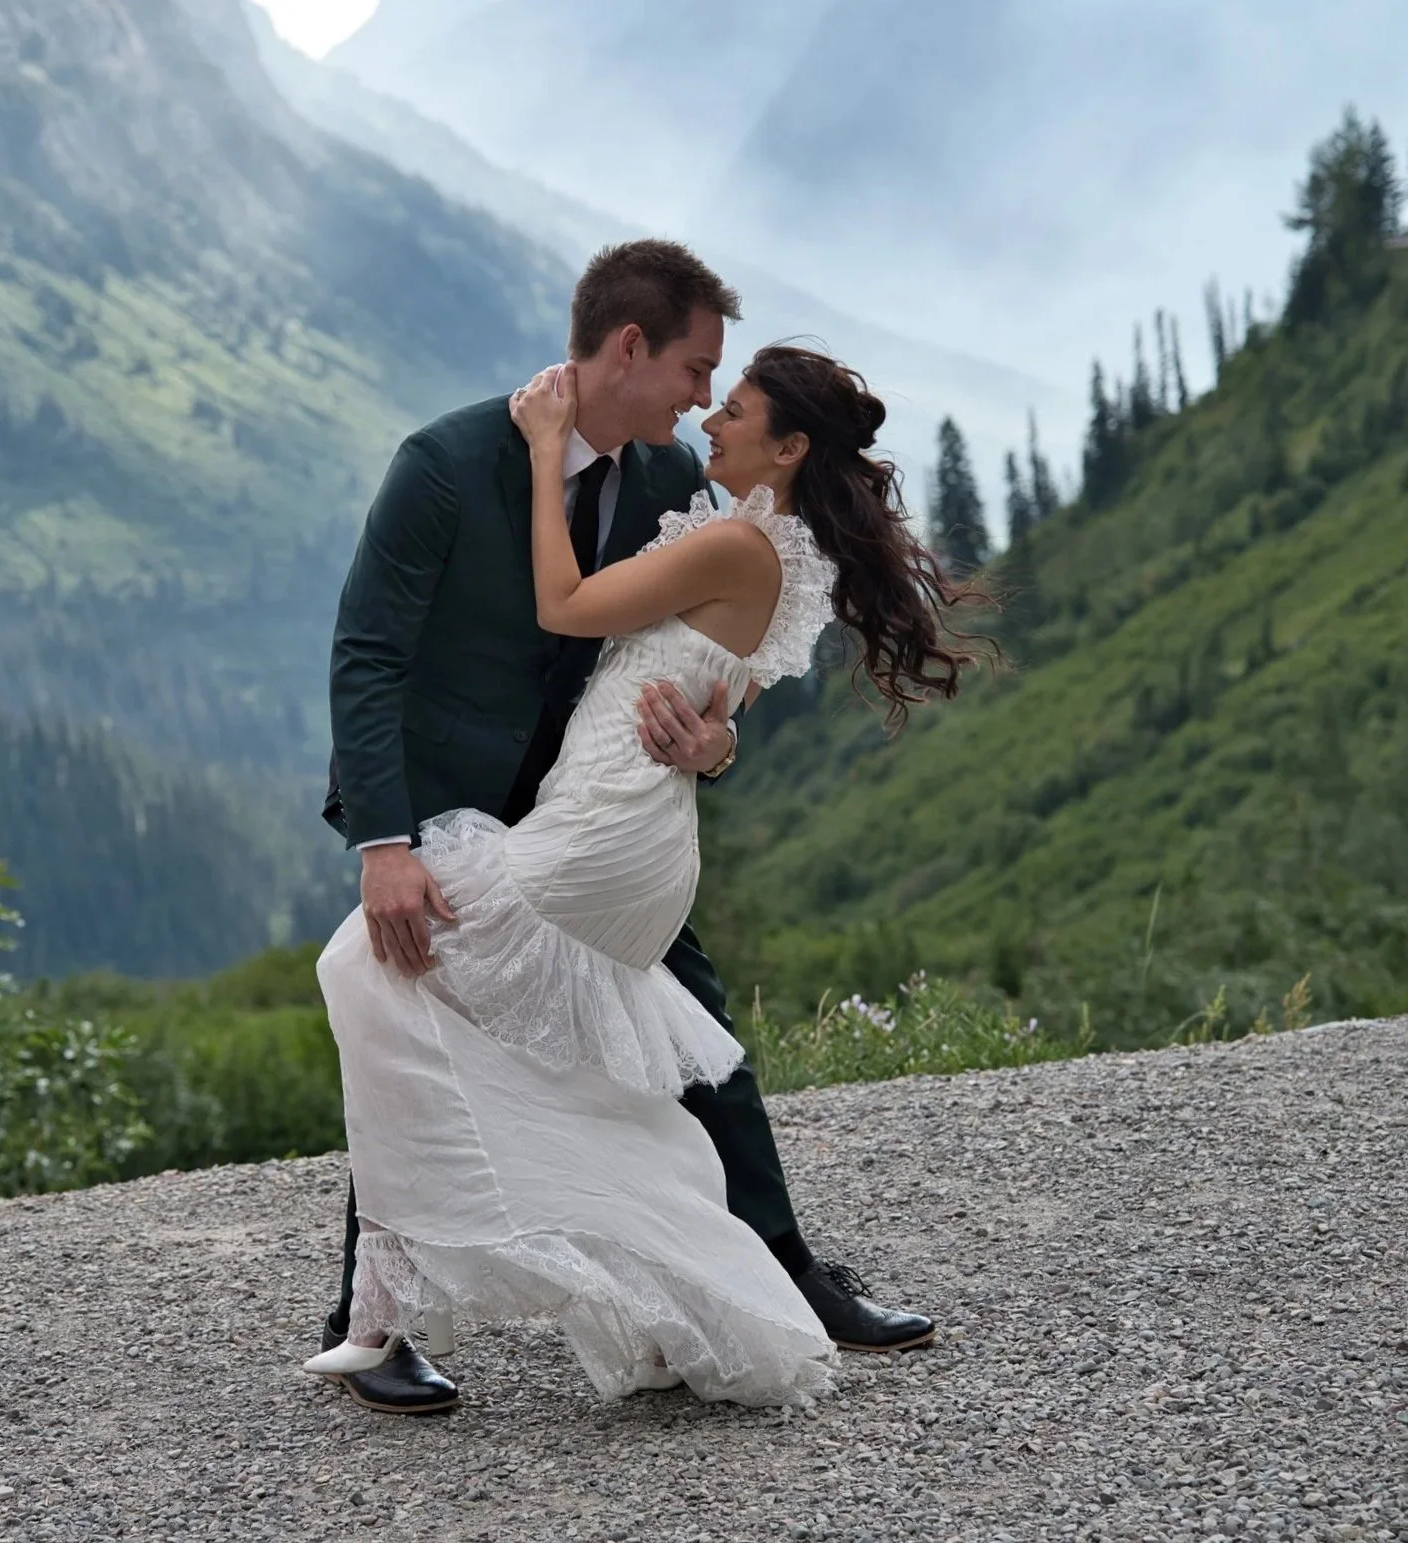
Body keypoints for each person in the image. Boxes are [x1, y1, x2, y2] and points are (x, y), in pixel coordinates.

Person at [314, 240, 971, 1412]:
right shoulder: (445, 462)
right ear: (630, 347)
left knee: (690, 1026)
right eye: (691, 366)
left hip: (593, 816)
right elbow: (367, 656)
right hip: (441, 811)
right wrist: (384, 844)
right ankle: (379, 1318)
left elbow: (721, 653)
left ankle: (774, 1268)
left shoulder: (672, 483)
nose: (700, 398)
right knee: (409, 1012)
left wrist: (713, 746)